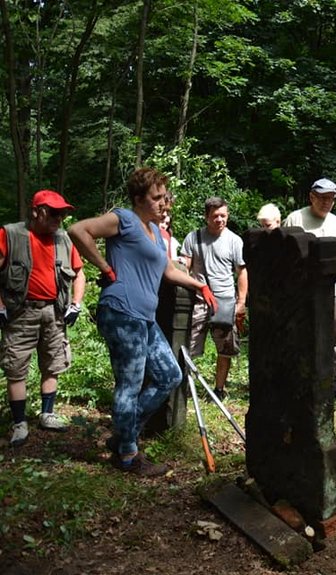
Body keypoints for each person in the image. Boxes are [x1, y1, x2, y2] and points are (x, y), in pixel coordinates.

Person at [69, 167, 216, 476]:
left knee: (169, 375)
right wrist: (104, 266)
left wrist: (199, 285)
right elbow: (78, 230)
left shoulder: (156, 234)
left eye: (165, 197)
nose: (164, 203)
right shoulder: (123, 218)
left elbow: (168, 271)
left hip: (144, 319)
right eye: (157, 198)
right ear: (138, 199)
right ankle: (127, 456)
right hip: (122, 312)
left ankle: (124, 434)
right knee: (130, 386)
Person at [1, 190, 86, 446]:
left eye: (63, 213)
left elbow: (79, 273)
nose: (59, 218)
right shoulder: (11, 235)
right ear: (36, 211)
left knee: (53, 362)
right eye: (54, 212)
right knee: (16, 366)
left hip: (54, 312)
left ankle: (47, 414)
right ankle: (19, 422)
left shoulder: (63, 239)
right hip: (20, 312)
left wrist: (76, 304)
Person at [284, 178, 336, 401]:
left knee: (331, 336)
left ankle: (333, 383)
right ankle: (301, 381)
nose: (326, 202)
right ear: (311, 197)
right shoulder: (296, 218)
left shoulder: (334, 222)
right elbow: (284, 255)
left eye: (331, 198)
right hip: (303, 291)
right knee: (302, 336)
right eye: (322, 197)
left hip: (331, 291)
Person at [181, 197, 248, 401]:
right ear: (206, 217)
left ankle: (218, 390)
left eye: (223, 215)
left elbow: (242, 272)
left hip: (225, 300)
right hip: (199, 300)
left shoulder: (235, 240)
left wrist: (241, 302)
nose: (220, 219)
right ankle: (183, 386)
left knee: (225, 348)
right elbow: (185, 266)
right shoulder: (194, 238)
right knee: (188, 345)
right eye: (215, 216)